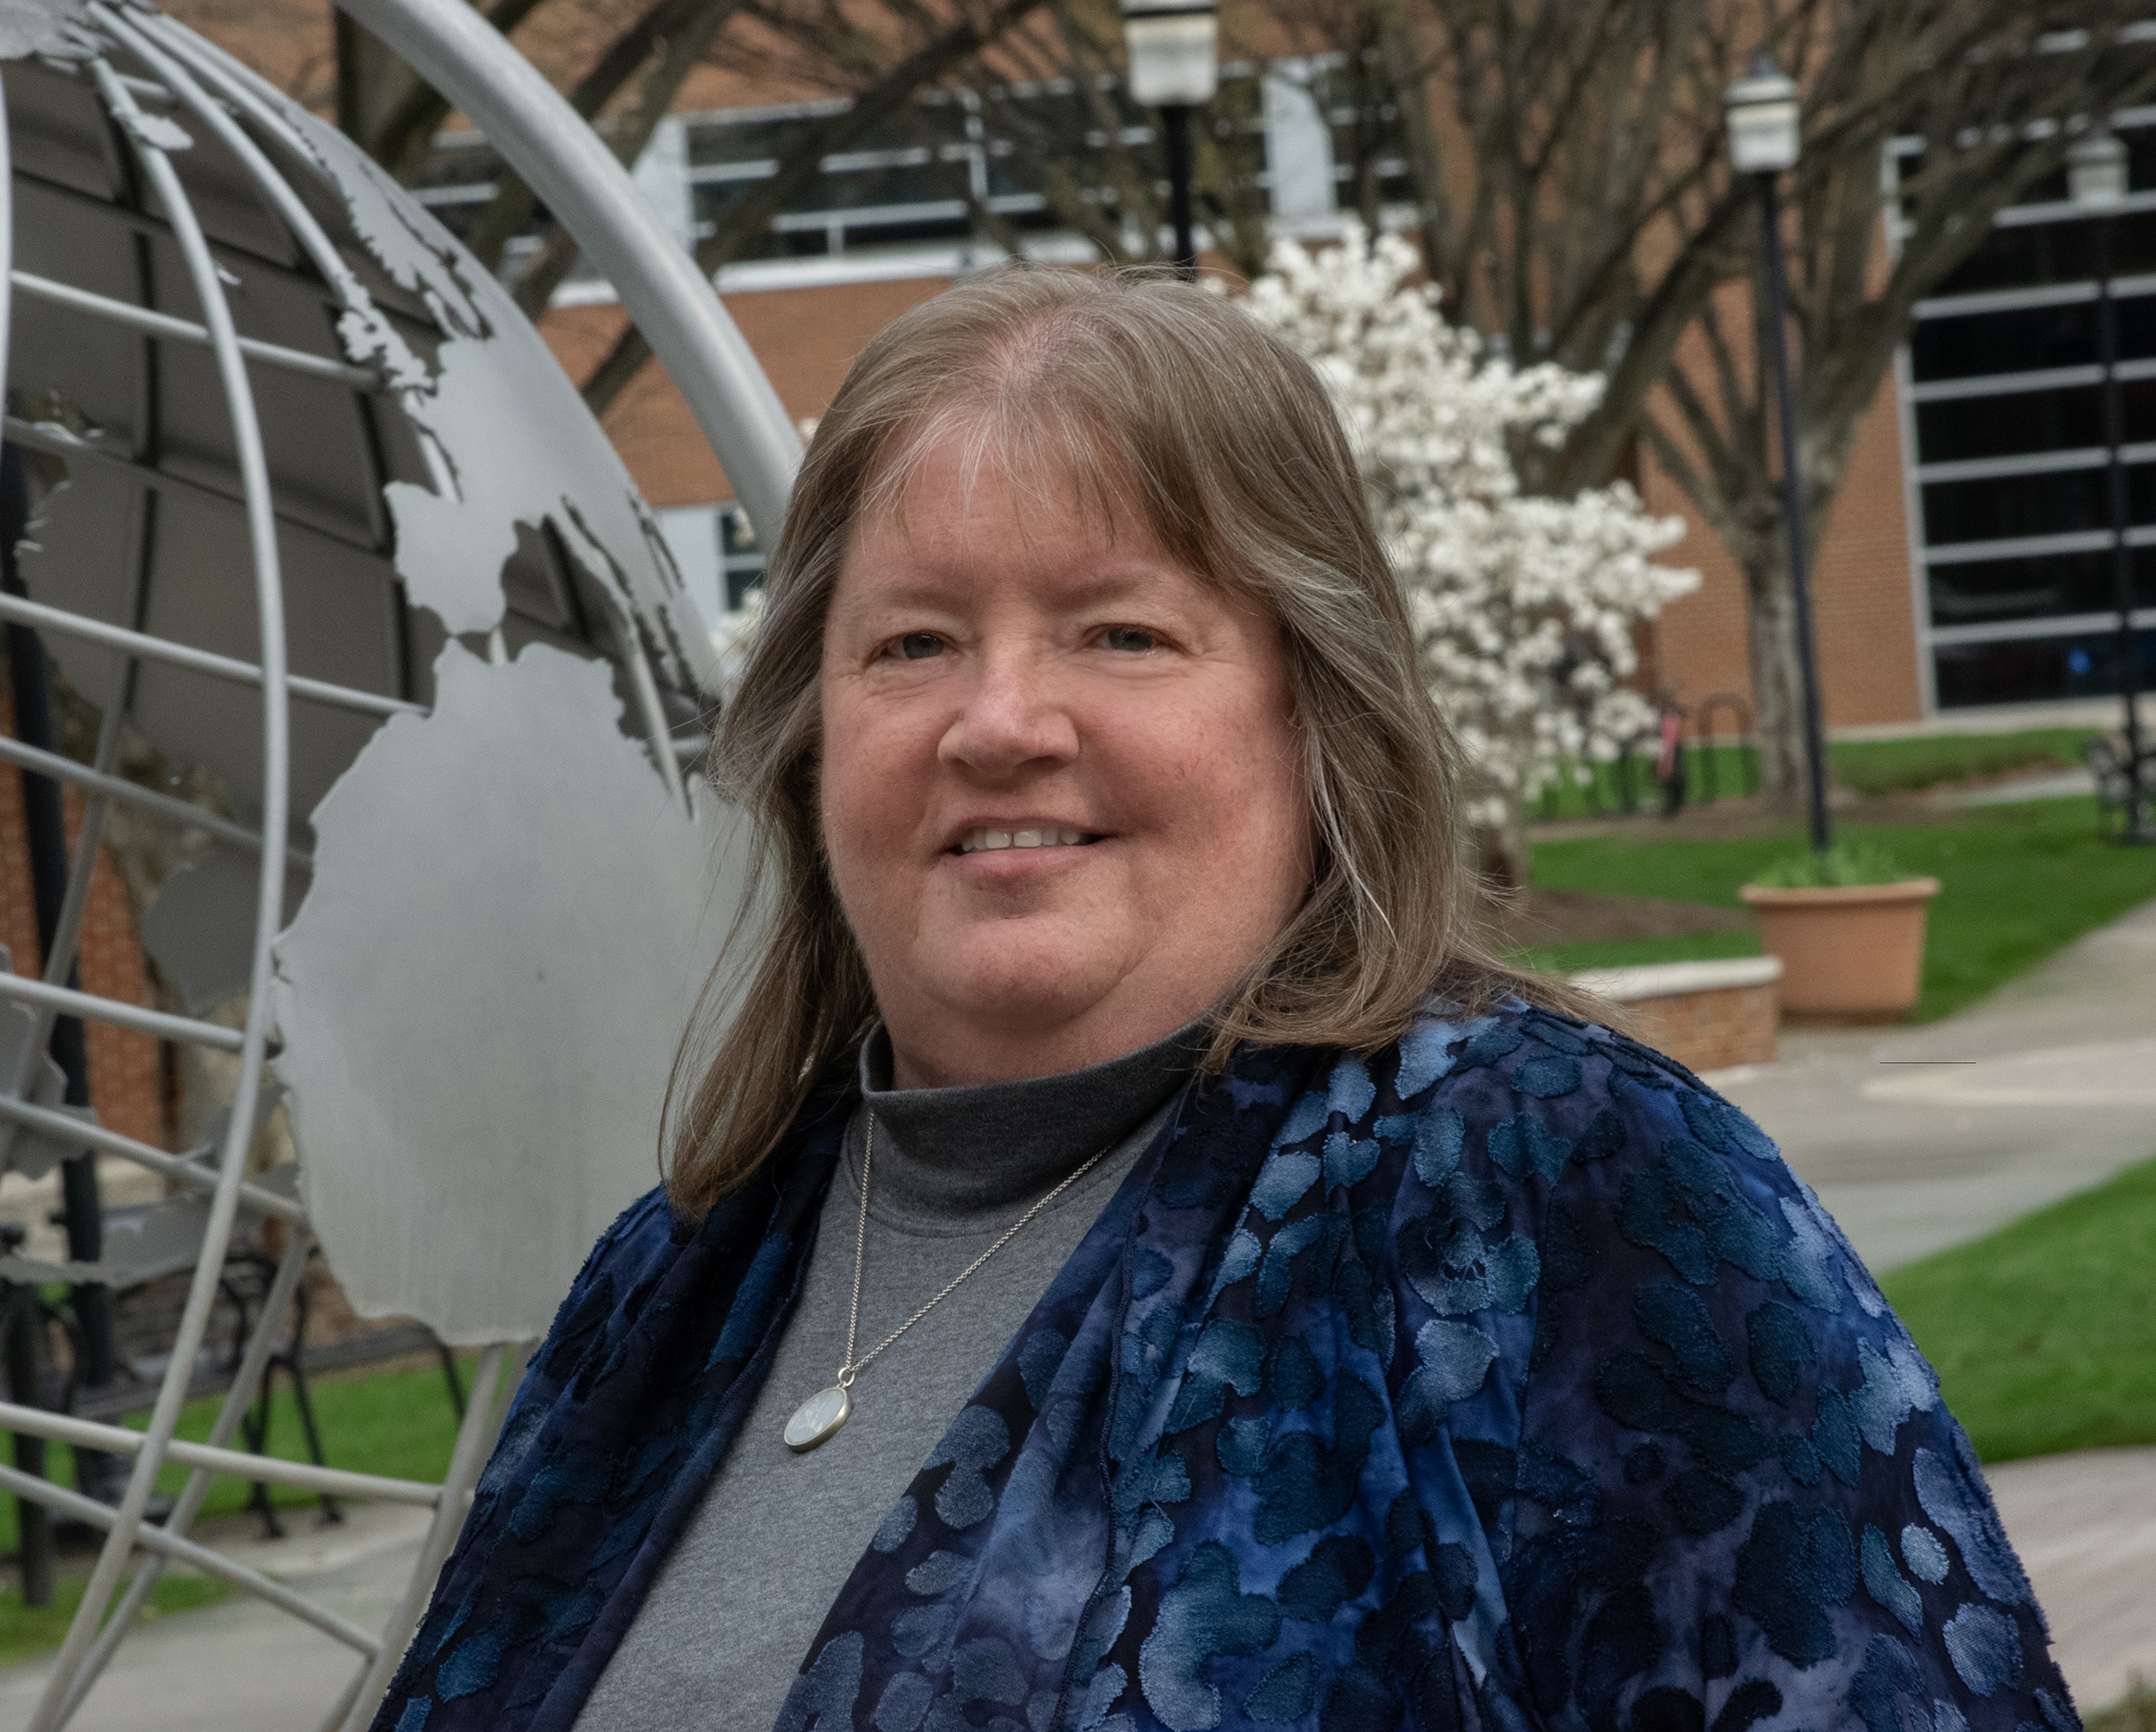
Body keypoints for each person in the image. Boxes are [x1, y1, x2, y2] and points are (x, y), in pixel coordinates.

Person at [376, 268, 2064, 1732]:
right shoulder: (668, 1285)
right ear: (812, 736)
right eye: (913, 645)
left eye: (1119, 634)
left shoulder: (1548, 1190)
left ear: (1313, 708)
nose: (999, 723)